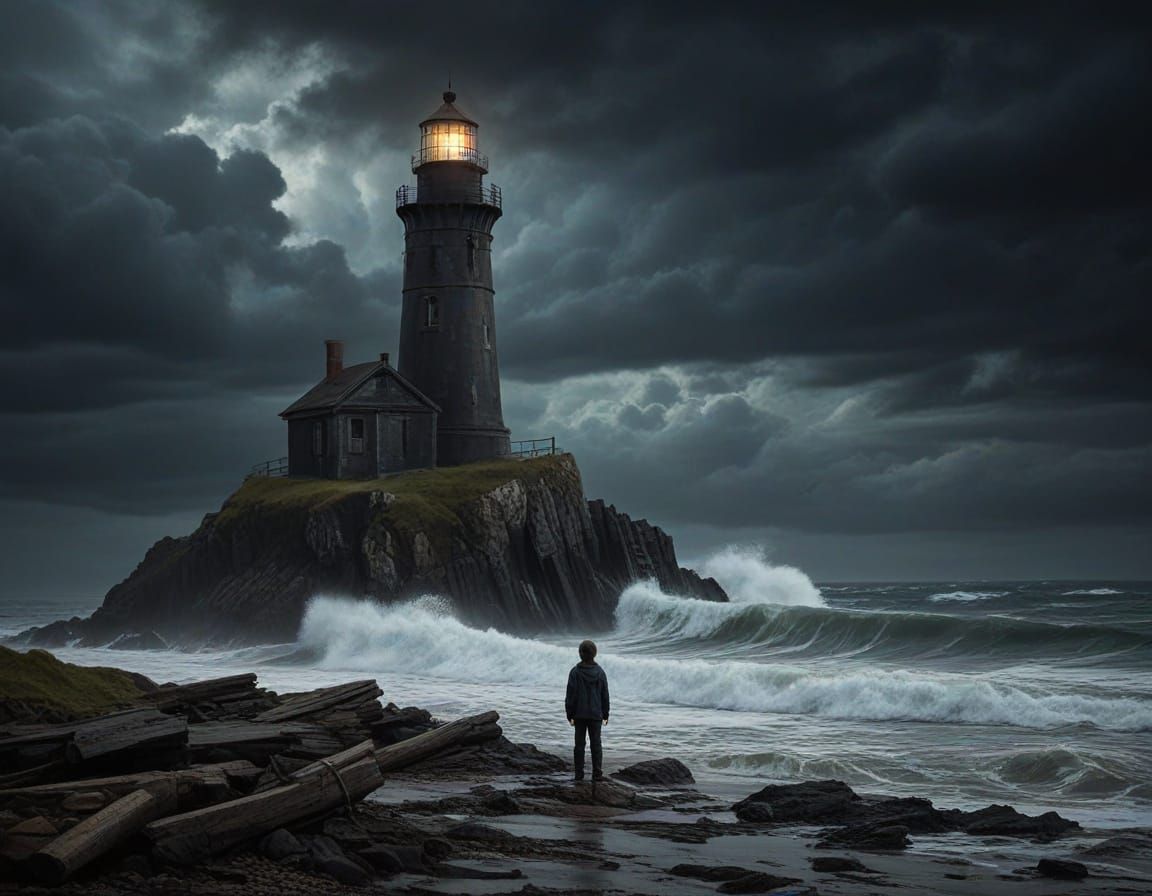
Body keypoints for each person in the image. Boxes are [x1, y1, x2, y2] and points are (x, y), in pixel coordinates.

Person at [565, 639, 610, 782]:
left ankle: (579, 774)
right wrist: (606, 713)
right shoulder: (600, 672)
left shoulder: (575, 672)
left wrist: (569, 713)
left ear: (580, 654)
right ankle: (597, 773)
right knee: (596, 744)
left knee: (579, 745)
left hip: (579, 714)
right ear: (594, 654)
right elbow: (605, 695)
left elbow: (570, 695)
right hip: (596, 714)